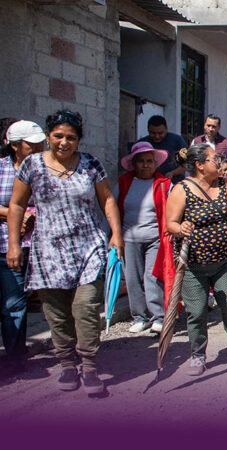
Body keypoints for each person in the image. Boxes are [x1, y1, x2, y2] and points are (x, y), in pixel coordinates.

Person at [6, 110, 123, 394]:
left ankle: (90, 365)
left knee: (85, 308)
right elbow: (17, 205)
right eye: (58, 136)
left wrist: (116, 235)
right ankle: (67, 365)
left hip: (89, 247)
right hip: (48, 251)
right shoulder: (32, 166)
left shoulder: (90, 164)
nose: (64, 142)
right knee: (56, 313)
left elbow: (107, 198)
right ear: (48, 137)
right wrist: (13, 244)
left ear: (78, 140)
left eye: (71, 137)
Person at [165, 144, 227, 376]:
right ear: (200, 165)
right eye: (215, 159)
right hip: (193, 264)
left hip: (224, 260)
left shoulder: (225, 184)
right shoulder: (181, 189)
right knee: (197, 310)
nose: (220, 162)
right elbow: (170, 224)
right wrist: (180, 227)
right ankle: (198, 354)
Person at [1, 120, 44, 369]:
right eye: (32, 144)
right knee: (11, 302)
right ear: (16, 145)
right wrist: (13, 215)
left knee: (18, 303)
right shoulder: (2, 169)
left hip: (37, 243)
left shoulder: (44, 169)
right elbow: (12, 207)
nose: (39, 148)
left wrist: (35, 215)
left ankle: (16, 358)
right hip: (6, 242)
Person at [117, 141, 171, 334]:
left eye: (149, 161)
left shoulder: (164, 184)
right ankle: (140, 317)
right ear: (134, 163)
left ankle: (158, 316)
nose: (146, 165)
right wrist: (111, 235)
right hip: (129, 238)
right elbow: (114, 209)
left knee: (152, 276)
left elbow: (172, 211)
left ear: (156, 163)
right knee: (132, 279)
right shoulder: (124, 183)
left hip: (155, 238)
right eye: (141, 161)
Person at [137, 115, 188, 181]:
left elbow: (186, 164)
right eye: (153, 133)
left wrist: (172, 173)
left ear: (166, 129)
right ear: (148, 130)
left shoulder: (177, 141)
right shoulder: (142, 144)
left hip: (174, 183)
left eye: (160, 133)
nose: (157, 136)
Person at [191, 114, 227, 180]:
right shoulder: (196, 141)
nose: (210, 129)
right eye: (208, 125)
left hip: (220, 182)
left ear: (219, 127)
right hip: (200, 181)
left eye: (213, 127)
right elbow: (191, 163)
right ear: (204, 126)